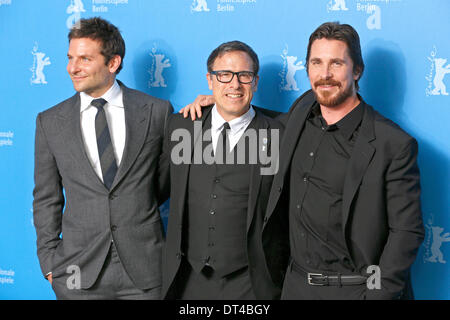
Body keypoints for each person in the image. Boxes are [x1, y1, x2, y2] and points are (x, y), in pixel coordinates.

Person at [181, 22, 424, 300]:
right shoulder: (300, 113)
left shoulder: (392, 144)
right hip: (294, 286)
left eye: (336, 63)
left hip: (354, 289)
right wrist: (223, 100)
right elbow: (260, 119)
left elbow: (406, 232)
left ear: (357, 70)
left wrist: (377, 295)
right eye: (316, 62)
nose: (325, 74)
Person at [32, 17, 173, 299]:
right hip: (76, 273)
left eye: (85, 58)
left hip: (145, 271)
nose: (73, 68)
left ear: (113, 63)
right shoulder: (50, 122)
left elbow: (165, 182)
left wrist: (209, 105)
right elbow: (46, 198)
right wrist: (49, 262)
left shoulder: (157, 111)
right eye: (70, 58)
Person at [161, 41, 288, 300]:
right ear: (210, 80)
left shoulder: (280, 134)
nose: (234, 84)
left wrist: (226, 101)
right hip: (189, 280)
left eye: (244, 76)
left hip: (252, 284)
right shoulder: (181, 127)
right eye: (224, 76)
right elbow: (152, 191)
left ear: (255, 82)